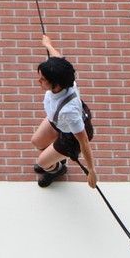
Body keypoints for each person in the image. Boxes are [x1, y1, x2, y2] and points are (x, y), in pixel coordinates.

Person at [30, 35, 98, 188]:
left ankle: (56, 170)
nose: (38, 81)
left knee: (42, 162)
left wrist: (91, 170)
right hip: (57, 121)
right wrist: (48, 45)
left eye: (42, 79)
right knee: (36, 142)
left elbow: (84, 141)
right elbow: (58, 58)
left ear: (56, 84)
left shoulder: (69, 112)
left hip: (71, 137)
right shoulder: (65, 78)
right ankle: (54, 159)